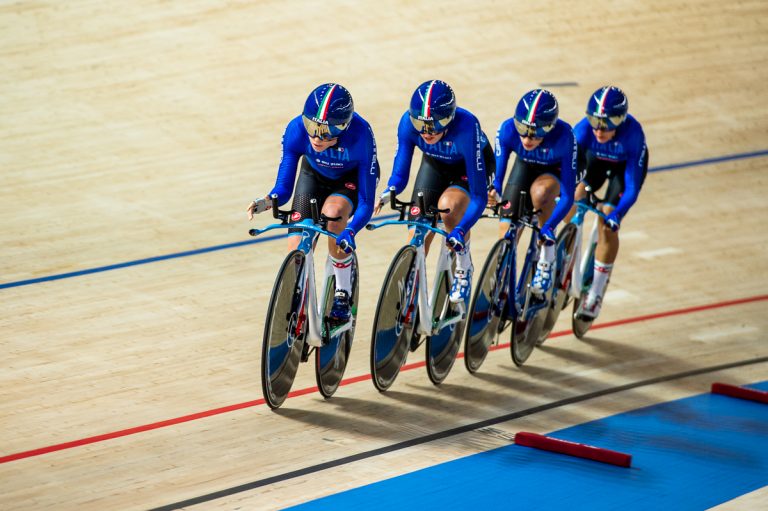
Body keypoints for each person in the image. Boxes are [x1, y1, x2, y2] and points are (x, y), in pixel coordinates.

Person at [247, 83, 379, 323]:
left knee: (333, 213)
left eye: (327, 132)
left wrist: (351, 230)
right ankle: (297, 295)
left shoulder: (361, 135)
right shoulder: (296, 129)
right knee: (296, 248)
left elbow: (367, 202)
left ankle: (342, 292)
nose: (317, 137)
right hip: (313, 176)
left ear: (344, 127)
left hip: (349, 180)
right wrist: (267, 202)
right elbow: (284, 188)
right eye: (312, 127)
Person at [374, 79, 495, 303]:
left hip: (469, 167)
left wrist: (460, 229)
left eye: (433, 125)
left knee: (448, 209)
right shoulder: (409, 124)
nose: (426, 132)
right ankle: (412, 280)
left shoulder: (467, 126)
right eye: (421, 125)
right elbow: (400, 173)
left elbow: (478, 197)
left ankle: (463, 265)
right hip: (436, 164)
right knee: (417, 229)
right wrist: (389, 190)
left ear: (448, 120)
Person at [570, 85, 648, 318]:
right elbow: (568, 168)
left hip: (621, 173)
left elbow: (632, 186)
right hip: (594, 164)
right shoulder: (583, 131)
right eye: (594, 121)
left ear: (621, 120)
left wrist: (616, 214)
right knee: (574, 197)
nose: (600, 129)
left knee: (607, 222)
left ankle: (595, 293)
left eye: (607, 123)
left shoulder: (633, 134)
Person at [492, 88, 577, 297]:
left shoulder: (564, 137)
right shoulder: (508, 130)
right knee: (506, 227)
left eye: (535, 133)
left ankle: (547, 256)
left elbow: (567, 194)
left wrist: (549, 226)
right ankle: (501, 278)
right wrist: (493, 191)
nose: (527, 138)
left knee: (541, 193)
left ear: (549, 128)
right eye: (523, 129)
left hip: (553, 172)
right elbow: (497, 175)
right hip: (525, 168)